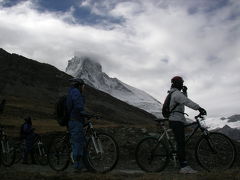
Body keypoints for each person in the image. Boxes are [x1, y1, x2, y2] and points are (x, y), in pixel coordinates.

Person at [167, 76, 207, 174]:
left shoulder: (176, 93)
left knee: (180, 142)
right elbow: (186, 101)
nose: (182, 84)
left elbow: (183, 100)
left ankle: (180, 160)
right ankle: (184, 167)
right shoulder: (176, 94)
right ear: (176, 83)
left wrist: (184, 92)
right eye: (181, 83)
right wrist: (199, 108)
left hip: (177, 119)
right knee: (181, 143)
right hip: (176, 120)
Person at [66, 78, 88, 172]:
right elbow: (78, 105)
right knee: (77, 143)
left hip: (76, 120)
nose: (84, 87)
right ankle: (77, 166)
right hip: (75, 120)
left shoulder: (75, 92)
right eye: (83, 86)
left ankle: (81, 165)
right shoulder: (75, 92)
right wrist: (83, 112)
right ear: (79, 85)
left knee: (80, 142)